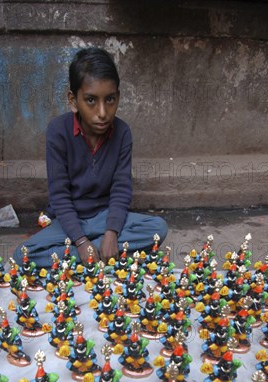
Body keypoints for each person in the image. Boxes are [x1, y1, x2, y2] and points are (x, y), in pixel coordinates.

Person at [13, 47, 167, 268]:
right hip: (70, 222)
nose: (102, 112)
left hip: (105, 218)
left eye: (110, 100)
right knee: (23, 255)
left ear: (118, 98)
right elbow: (59, 195)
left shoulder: (122, 133)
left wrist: (112, 232)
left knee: (158, 228)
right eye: (91, 100)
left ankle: (87, 253)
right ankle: (100, 253)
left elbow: (121, 188)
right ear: (73, 100)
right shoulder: (58, 131)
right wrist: (81, 241)